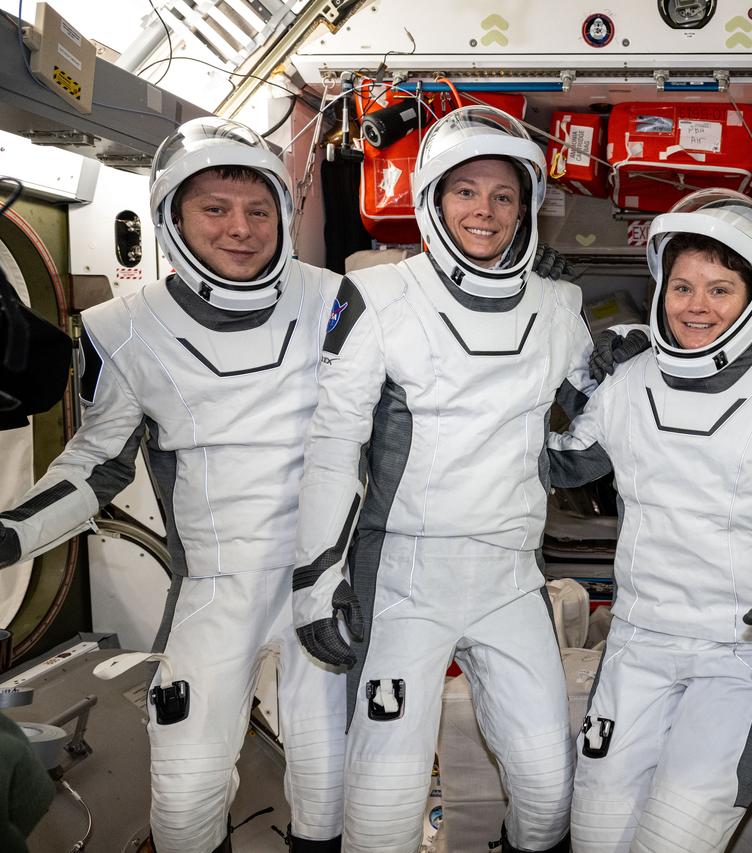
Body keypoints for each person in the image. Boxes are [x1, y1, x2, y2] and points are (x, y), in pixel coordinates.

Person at [0, 118, 347, 853]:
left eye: (259, 210)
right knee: (186, 802)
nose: (240, 229)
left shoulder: (338, 302)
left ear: (283, 216)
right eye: (215, 208)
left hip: (324, 584)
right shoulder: (123, 328)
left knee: (329, 793)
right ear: (171, 217)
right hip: (215, 590)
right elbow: (97, 464)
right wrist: (12, 534)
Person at [290, 104, 596, 853]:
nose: (484, 211)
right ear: (431, 197)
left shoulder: (559, 307)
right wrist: (316, 582)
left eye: (503, 195)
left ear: (526, 207)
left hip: (510, 576)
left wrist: (621, 371)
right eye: (466, 191)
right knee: (384, 805)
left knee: (547, 787)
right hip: (404, 577)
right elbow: (334, 447)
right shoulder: (378, 297)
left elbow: (597, 421)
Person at [546, 188, 752, 853]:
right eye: (682, 287)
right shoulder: (629, 381)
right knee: (595, 838)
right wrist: (575, 364)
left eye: (720, 289)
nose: (695, 306)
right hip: (637, 645)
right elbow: (558, 464)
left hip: (744, 659)